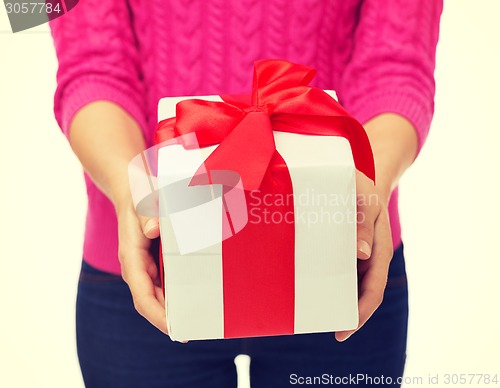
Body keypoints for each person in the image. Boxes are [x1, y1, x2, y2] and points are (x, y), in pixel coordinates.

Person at [50, 1, 442, 387]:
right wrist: (130, 190)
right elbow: (86, 66)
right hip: (146, 268)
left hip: (341, 254)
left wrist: (370, 183)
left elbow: (399, 67)